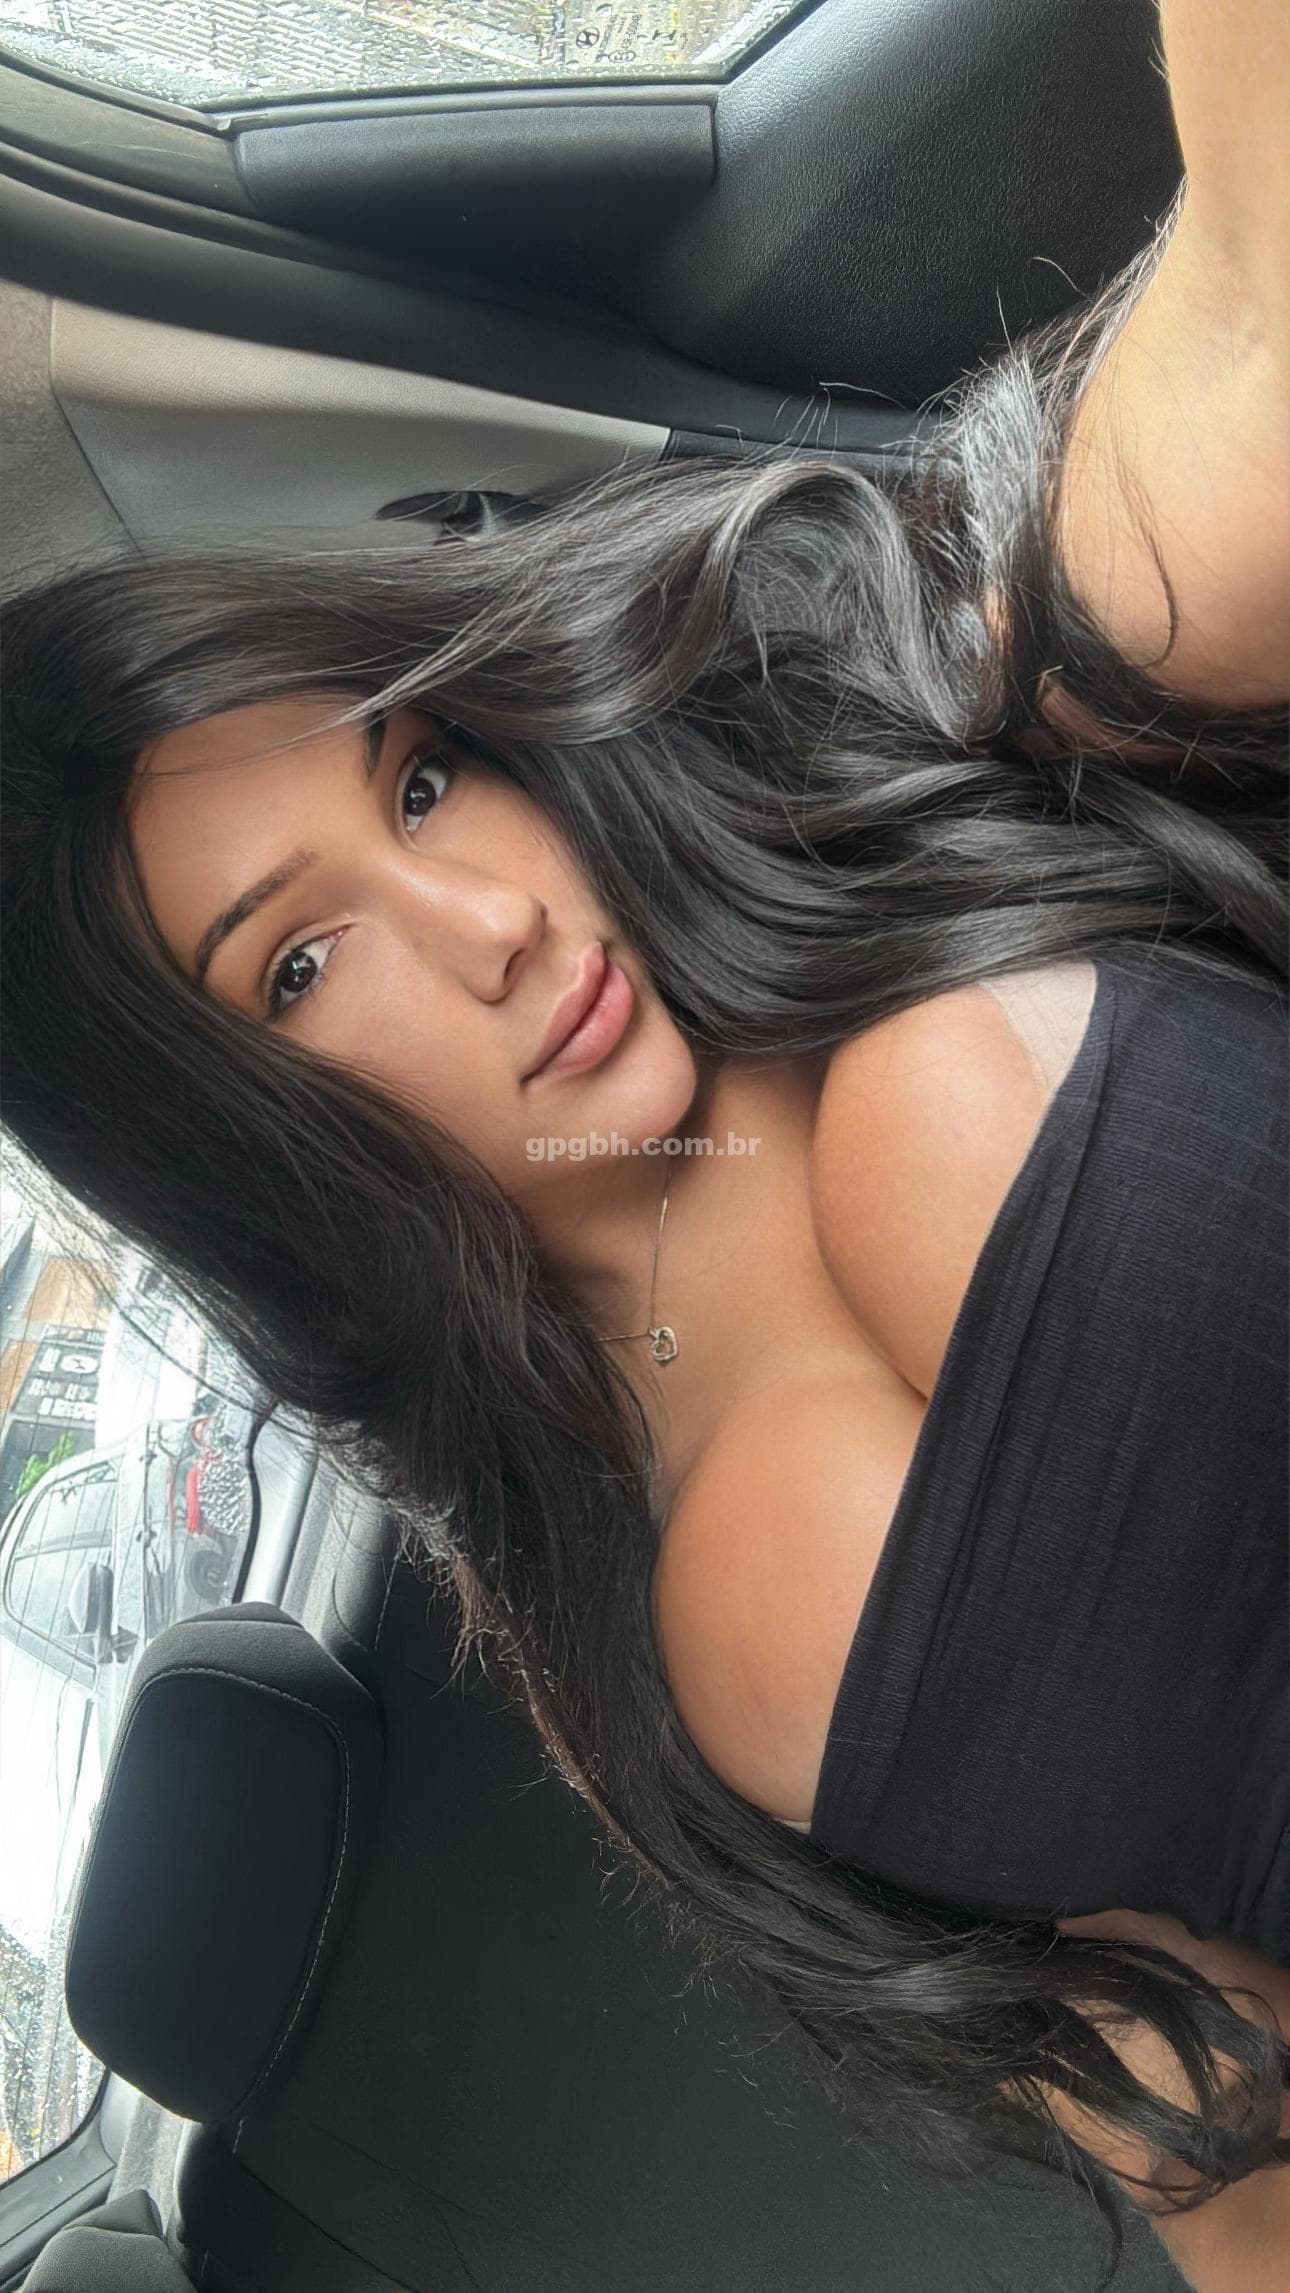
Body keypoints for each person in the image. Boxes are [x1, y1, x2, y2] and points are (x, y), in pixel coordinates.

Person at [2, 5, 1286, 2283]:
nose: (490, 920)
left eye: (420, 780)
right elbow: (1201, 2116)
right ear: (242, 1149)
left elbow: (1258, 325)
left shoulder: (873, 726)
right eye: (303, 963)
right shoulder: (616, 1649)